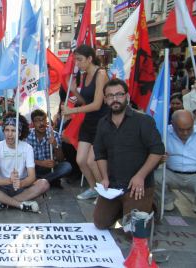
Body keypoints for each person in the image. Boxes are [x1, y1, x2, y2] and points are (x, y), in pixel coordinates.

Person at [93, 79, 164, 229]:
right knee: (100, 223)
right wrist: (104, 177)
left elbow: (157, 150)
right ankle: (125, 208)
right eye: (110, 96)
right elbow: (99, 152)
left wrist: (140, 176)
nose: (115, 99)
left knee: (132, 231)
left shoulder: (143, 121)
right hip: (113, 186)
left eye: (119, 94)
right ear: (105, 100)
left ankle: (150, 205)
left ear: (127, 96)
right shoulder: (102, 123)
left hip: (138, 186)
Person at [62, 45, 109, 200]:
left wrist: (72, 111)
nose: (77, 63)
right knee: (81, 159)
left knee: (92, 160)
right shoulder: (84, 75)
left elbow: (96, 104)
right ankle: (93, 188)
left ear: (90, 59)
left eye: (80, 60)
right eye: (76, 59)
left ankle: (104, 192)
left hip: (102, 123)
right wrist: (74, 90)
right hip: (88, 122)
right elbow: (84, 102)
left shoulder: (101, 74)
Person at [0, 113, 49, 212]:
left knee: (44, 184)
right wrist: (9, 181)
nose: (10, 134)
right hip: (2, 187)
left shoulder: (27, 148)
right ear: (3, 131)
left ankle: (4, 202)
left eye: (13, 130)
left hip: (22, 187)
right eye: (7, 130)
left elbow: (32, 177)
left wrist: (21, 183)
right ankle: (20, 204)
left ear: (19, 133)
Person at [155, 110, 196, 213]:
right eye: (181, 129)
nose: (185, 133)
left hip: (195, 175)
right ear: (173, 124)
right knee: (153, 177)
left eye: (189, 129)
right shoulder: (163, 132)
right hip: (170, 173)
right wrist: (158, 159)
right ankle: (167, 201)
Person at [26, 109, 72, 187]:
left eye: (43, 120)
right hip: (32, 169)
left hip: (50, 169)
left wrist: (55, 145)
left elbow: (61, 159)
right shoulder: (27, 136)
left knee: (67, 167)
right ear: (33, 123)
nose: (41, 123)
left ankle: (38, 182)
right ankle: (49, 180)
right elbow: (23, 158)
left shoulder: (54, 135)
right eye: (37, 121)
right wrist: (41, 163)